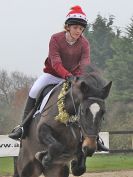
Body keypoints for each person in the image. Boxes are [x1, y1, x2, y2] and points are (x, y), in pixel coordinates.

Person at [9, 5, 108, 151]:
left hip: (74, 78)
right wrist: (67, 75)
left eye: (81, 29)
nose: (78, 31)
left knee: (88, 99)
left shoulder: (84, 43)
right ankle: (23, 127)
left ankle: (94, 137)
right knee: (34, 90)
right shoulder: (56, 39)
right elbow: (55, 62)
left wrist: (78, 78)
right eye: (75, 27)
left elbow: (85, 63)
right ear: (67, 26)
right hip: (52, 75)